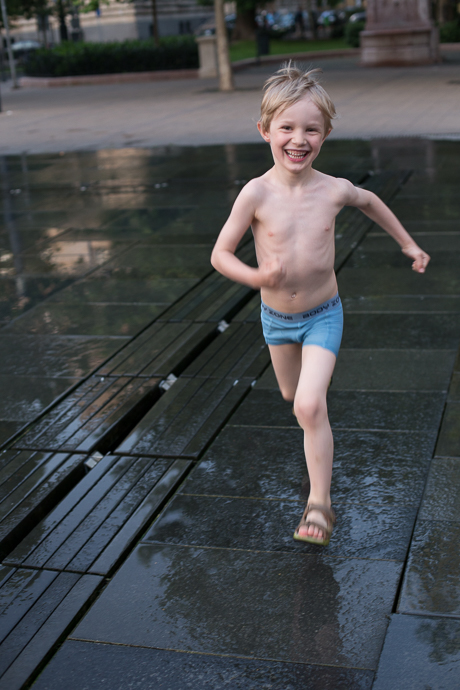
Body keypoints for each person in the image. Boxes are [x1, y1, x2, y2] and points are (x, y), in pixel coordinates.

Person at [210, 64, 430, 546]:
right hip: (275, 320)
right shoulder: (256, 193)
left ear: (326, 134)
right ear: (265, 130)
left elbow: (370, 201)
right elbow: (220, 254)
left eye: (311, 129)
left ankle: (320, 505)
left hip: (322, 316)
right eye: (287, 128)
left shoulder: (332, 189)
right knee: (292, 398)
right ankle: (313, 416)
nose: (299, 139)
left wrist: (408, 244)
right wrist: (255, 276)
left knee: (310, 406)